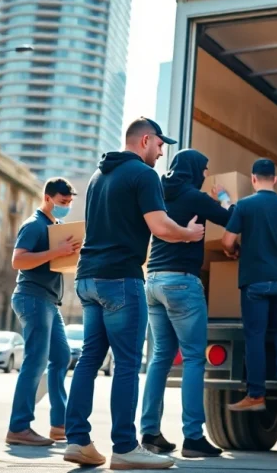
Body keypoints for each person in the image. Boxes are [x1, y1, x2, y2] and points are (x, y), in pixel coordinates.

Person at [64, 118, 204, 470]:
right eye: (159, 145)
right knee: (127, 363)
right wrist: (188, 234)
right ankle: (125, 447)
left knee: (90, 359)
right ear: (145, 140)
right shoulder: (143, 175)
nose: (161, 151)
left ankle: (78, 440)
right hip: (121, 280)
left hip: (87, 279)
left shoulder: (99, 177)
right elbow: (159, 226)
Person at [140, 149, 231, 457]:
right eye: (204, 169)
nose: (205, 175)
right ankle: (193, 437)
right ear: (193, 169)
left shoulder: (157, 192)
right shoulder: (194, 196)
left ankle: (149, 433)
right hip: (181, 282)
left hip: (152, 281)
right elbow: (230, 218)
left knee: (160, 358)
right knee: (193, 358)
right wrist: (225, 196)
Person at [221, 159, 277, 411]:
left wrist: (235, 250)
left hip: (256, 281)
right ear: (274, 179)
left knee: (255, 335)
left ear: (253, 179)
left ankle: (256, 395)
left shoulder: (245, 205)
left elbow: (226, 240)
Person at [5, 178, 81, 446]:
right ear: (48, 198)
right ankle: (19, 427)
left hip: (49, 301)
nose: (66, 206)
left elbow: (53, 260)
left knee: (61, 357)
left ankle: (59, 425)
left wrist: (67, 253)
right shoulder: (34, 225)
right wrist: (55, 251)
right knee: (35, 361)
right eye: (63, 202)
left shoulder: (55, 227)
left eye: (70, 202)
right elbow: (18, 260)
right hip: (32, 298)